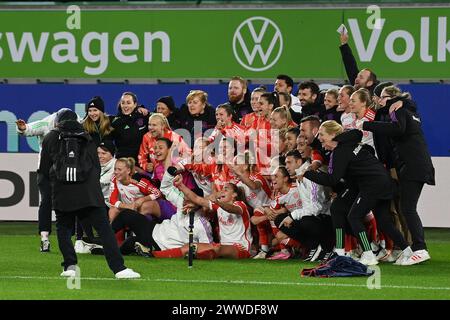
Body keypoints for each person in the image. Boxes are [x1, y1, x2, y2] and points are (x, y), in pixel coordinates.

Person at [39, 109, 140, 278]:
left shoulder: (50, 138)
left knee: (64, 229)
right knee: (104, 229)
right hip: (89, 194)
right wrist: (94, 193)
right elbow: (95, 167)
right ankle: (119, 269)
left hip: (63, 193)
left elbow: (44, 170)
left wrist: (51, 195)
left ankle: (70, 266)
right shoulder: (88, 137)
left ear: (57, 122)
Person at [303, 121, 413, 266]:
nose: (320, 138)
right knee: (383, 220)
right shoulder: (352, 143)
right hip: (384, 183)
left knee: (354, 216)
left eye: (322, 134)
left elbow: (332, 179)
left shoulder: (341, 151)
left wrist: (308, 174)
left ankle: (368, 254)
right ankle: (407, 252)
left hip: (371, 186)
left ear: (333, 135)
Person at [361, 86, 435, 265]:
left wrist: (367, 125)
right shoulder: (407, 108)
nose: (379, 101)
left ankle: (420, 248)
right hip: (417, 164)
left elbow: (398, 129)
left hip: (413, 166)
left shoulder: (399, 109)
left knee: (408, 208)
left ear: (392, 98)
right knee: (406, 207)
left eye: (382, 97)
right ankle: (415, 249)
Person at [16, 107, 81, 252]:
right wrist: (23, 128)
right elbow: (29, 129)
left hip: (66, 171)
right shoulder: (46, 123)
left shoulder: (77, 121)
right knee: (46, 201)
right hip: (46, 170)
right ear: (56, 122)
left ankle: (71, 238)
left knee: (70, 203)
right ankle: (44, 238)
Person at [110, 92, 150, 164]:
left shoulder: (143, 116)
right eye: (123, 103)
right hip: (124, 163)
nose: (125, 106)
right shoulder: (115, 122)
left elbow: (159, 117)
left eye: (128, 103)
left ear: (135, 105)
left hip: (143, 162)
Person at [339, 30, 379, 94]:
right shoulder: (358, 86)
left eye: (361, 77)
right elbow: (350, 65)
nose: (356, 79)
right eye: (357, 76)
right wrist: (344, 43)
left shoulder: (377, 97)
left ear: (369, 83)